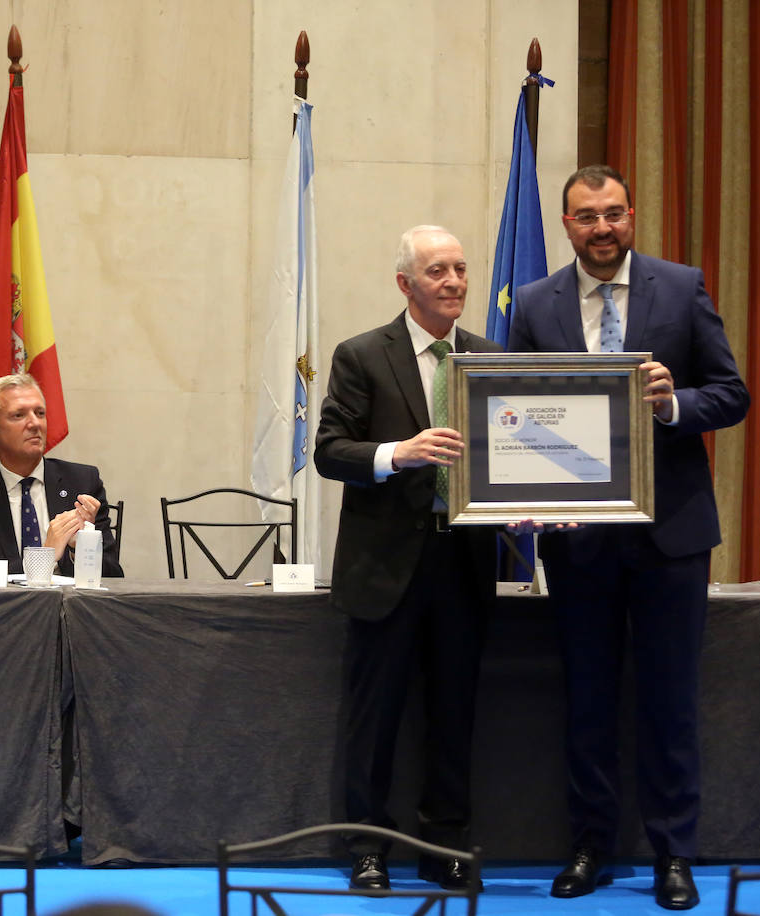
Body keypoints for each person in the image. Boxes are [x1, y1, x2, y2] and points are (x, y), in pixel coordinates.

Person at [510, 165, 749, 910]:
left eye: (614, 213)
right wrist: (515, 496)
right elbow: (510, 413)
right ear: (567, 225)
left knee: (669, 702)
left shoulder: (680, 288)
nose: (603, 228)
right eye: (587, 217)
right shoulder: (533, 304)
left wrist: (673, 403)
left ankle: (673, 854)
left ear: (632, 216)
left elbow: (731, 393)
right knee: (587, 701)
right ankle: (591, 847)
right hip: (578, 541)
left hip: (671, 536)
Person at [313, 226, 498, 891]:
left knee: (455, 713)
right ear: (405, 285)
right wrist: (399, 454)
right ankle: (369, 848)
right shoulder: (363, 355)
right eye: (438, 271)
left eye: (460, 269)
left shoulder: (489, 357)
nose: (454, 282)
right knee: (376, 716)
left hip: (466, 564)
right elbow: (329, 451)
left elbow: (511, 460)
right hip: (385, 569)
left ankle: (445, 845)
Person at [0, 373, 122, 578]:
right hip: (7, 610)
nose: (35, 423)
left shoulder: (82, 482)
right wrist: (46, 555)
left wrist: (80, 548)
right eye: (19, 415)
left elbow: (113, 578)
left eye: (40, 413)